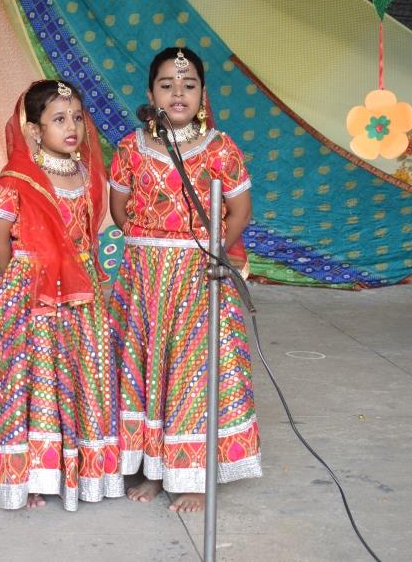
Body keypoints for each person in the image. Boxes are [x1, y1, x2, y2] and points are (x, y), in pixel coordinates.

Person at [0, 79, 124, 510]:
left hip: (80, 290)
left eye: (77, 118)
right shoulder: (18, 178)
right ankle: (29, 473)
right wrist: (18, 279)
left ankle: (74, 468)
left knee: (81, 370)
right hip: (32, 290)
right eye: (59, 119)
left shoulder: (86, 174)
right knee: (32, 375)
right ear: (34, 130)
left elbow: (86, 233)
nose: (72, 127)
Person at [108, 46, 262, 513]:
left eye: (189, 84)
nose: (178, 93)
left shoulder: (220, 147)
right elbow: (119, 209)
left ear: (203, 93)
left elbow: (240, 211)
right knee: (147, 369)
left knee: (191, 371)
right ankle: (153, 470)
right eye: (167, 85)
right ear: (150, 92)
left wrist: (211, 251)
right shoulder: (130, 148)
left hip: (198, 275)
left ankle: (193, 477)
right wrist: (150, 244)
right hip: (143, 278)